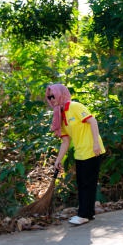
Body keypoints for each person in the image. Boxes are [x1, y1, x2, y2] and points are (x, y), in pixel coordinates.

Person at [46, 84, 105, 226]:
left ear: (60, 94)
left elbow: (92, 121)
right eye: (49, 97)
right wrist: (58, 160)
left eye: (53, 96)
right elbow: (65, 141)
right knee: (83, 183)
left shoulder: (74, 106)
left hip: (92, 150)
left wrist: (96, 143)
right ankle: (88, 213)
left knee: (87, 183)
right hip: (80, 153)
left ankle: (84, 214)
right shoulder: (61, 114)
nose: (51, 99)